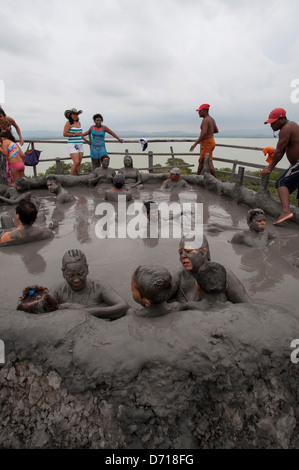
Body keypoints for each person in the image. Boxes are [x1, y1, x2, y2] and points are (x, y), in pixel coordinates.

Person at [50, 249, 129, 320]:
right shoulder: (58, 290)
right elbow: (40, 310)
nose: (76, 280)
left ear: (87, 269)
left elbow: (124, 306)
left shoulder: (99, 288)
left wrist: (88, 312)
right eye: (71, 276)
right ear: (63, 273)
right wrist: (67, 306)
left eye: (81, 274)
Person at [170, 235, 251, 303]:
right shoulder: (179, 277)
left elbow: (248, 305)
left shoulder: (223, 274)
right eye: (180, 252)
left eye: (188, 251)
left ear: (204, 251)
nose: (182, 256)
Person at [261, 108, 299, 225]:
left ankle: (286, 211)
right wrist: (274, 150)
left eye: (273, 122)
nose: (271, 125)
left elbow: (280, 151)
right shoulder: (292, 126)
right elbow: (285, 148)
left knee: (281, 183)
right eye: (270, 123)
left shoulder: (285, 129)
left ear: (282, 119)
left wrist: (269, 167)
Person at [190, 103, 218, 177]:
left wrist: (195, 144)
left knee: (208, 162)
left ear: (205, 111)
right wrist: (210, 133)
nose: (198, 113)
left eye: (200, 111)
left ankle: (216, 181)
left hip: (208, 142)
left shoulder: (205, 120)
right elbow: (216, 130)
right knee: (201, 161)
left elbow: (204, 133)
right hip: (209, 141)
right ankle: (197, 176)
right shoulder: (211, 119)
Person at [63, 108, 88, 176]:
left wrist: (86, 140)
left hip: (80, 143)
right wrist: (74, 134)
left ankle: (78, 176)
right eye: (74, 114)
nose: (75, 116)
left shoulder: (79, 123)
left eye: (76, 114)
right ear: (70, 115)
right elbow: (64, 134)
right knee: (76, 162)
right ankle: (72, 176)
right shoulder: (68, 123)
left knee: (79, 162)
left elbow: (80, 134)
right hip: (72, 144)